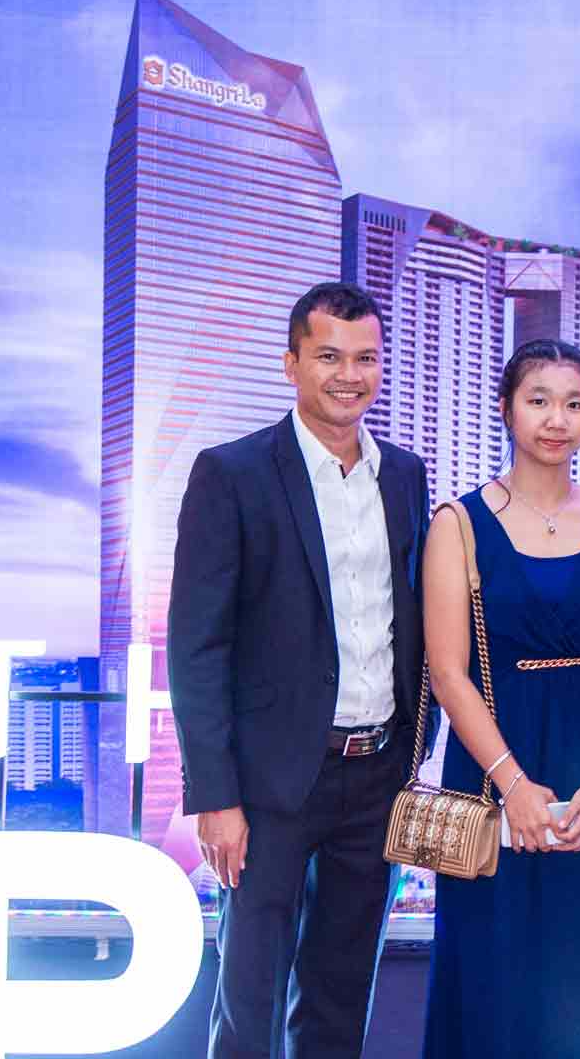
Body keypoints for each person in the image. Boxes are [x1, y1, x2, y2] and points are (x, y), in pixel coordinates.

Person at [167, 281, 429, 1058]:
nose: (349, 375)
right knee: (249, 1001)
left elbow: (413, 621)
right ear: (292, 364)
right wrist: (215, 796)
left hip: (378, 774)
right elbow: (197, 646)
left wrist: (415, 753)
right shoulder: (232, 473)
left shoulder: (405, 475)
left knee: (339, 1001)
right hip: (267, 785)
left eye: (365, 358)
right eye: (328, 357)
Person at [420, 339, 580, 1059]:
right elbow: (448, 672)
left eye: (574, 404)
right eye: (539, 400)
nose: (557, 419)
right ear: (507, 410)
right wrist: (512, 784)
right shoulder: (458, 523)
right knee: (490, 971)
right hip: (491, 770)